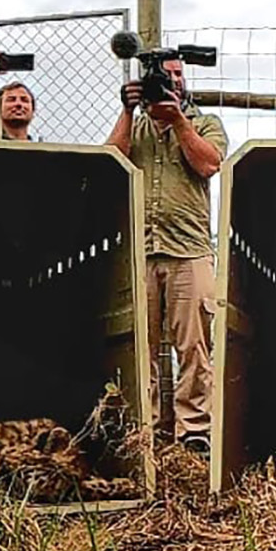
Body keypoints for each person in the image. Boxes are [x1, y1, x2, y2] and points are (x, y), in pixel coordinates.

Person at [106, 43, 228, 451]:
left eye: (177, 74)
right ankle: (146, 427)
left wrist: (178, 122)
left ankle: (194, 430)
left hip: (189, 250)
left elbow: (209, 164)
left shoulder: (205, 122)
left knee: (194, 346)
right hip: (139, 251)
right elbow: (110, 163)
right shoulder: (135, 128)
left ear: (185, 81)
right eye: (163, 75)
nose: (170, 80)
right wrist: (127, 111)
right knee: (139, 346)